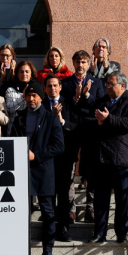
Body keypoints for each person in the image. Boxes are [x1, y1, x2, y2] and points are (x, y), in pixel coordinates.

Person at [8, 80, 64, 255]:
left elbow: (59, 146)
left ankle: (47, 252)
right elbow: (11, 141)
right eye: (29, 95)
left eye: (35, 95)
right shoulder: (18, 117)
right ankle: (18, 251)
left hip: (43, 173)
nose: (31, 98)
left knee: (48, 213)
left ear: (41, 96)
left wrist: (36, 155)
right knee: (20, 214)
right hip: (21, 173)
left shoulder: (51, 118)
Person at [84, 72, 128, 245]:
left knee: (122, 201)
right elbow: (89, 121)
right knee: (101, 200)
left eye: (112, 84)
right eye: (107, 83)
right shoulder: (101, 102)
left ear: (122, 86)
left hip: (122, 160)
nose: (108, 86)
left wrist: (108, 119)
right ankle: (99, 233)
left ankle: (121, 235)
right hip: (102, 160)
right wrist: (100, 123)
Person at [61, 49, 105, 223]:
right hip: (71, 130)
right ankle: (70, 208)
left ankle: (90, 207)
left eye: (84, 62)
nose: (80, 65)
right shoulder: (65, 83)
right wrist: (75, 96)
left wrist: (86, 95)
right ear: (73, 63)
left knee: (90, 170)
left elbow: (100, 104)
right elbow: (64, 105)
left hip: (90, 130)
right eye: (78, 62)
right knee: (69, 170)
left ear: (88, 64)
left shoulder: (97, 83)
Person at [42, 74, 80, 242]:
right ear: (45, 88)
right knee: (48, 194)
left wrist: (61, 120)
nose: (52, 88)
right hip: (47, 157)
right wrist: (51, 116)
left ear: (60, 87)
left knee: (64, 194)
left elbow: (76, 126)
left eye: (55, 85)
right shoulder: (41, 105)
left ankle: (63, 228)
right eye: (49, 86)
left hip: (65, 156)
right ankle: (49, 229)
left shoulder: (69, 103)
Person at [4, 61, 38, 133]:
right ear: (17, 74)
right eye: (21, 72)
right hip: (15, 129)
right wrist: (22, 97)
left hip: (33, 127)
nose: (24, 74)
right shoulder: (11, 90)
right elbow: (9, 108)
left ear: (31, 73)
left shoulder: (36, 89)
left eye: (27, 71)